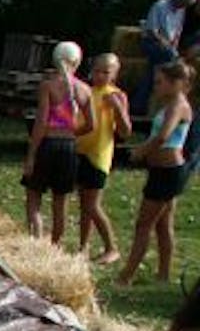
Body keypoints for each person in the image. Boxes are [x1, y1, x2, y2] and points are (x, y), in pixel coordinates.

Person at [117, 61, 194, 286]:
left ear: (176, 83)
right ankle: (163, 275)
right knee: (162, 225)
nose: (155, 87)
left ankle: (126, 276)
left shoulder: (178, 105)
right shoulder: (169, 103)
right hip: (163, 170)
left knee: (144, 224)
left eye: (160, 82)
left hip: (168, 172)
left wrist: (141, 151)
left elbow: (163, 136)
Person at [23, 42, 93, 244]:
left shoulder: (48, 86)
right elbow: (91, 124)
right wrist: (71, 133)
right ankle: (55, 246)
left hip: (47, 144)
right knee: (60, 200)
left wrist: (31, 155)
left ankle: (35, 241)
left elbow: (41, 122)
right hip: (69, 147)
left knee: (34, 195)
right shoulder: (85, 90)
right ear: (77, 61)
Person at [74, 53, 131, 264]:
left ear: (115, 74)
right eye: (97, 70)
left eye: (105, 72)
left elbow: (125, 132)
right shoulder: (88, 91)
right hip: (81, 151)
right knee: (84, 204)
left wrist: (117, 108)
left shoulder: (117, 95)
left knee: (93, 205)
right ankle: (83, 247)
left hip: (99, 155)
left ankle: (111, 247)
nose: (99, 75)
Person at [135, 0, 196, 114]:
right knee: (172, 61)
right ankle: (173, 94)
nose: (182, 7)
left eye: (185, 6)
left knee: (155, 70)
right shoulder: (160, 6)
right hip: (151, 43)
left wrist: (174, 44)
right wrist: (169, 47)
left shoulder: (181, 10)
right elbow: (152, 31)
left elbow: (177, 32)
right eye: (182, 4)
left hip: (166, 47)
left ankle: (140, 105)